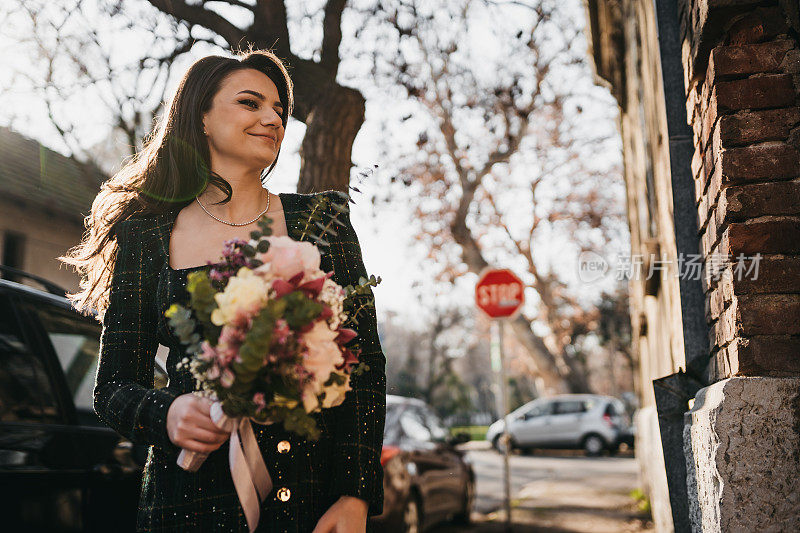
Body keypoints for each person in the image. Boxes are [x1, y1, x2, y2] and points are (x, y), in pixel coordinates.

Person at [59, 48, 386, 532]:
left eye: (279, 109)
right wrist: (167, 414)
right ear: (203, 118)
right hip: (186, 504)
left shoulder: (321, 222)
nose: (272, 118)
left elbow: (366, 365)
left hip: (312, 504)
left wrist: (354, 495)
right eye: (250, 103)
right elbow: (112, 387)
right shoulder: (145, 234)